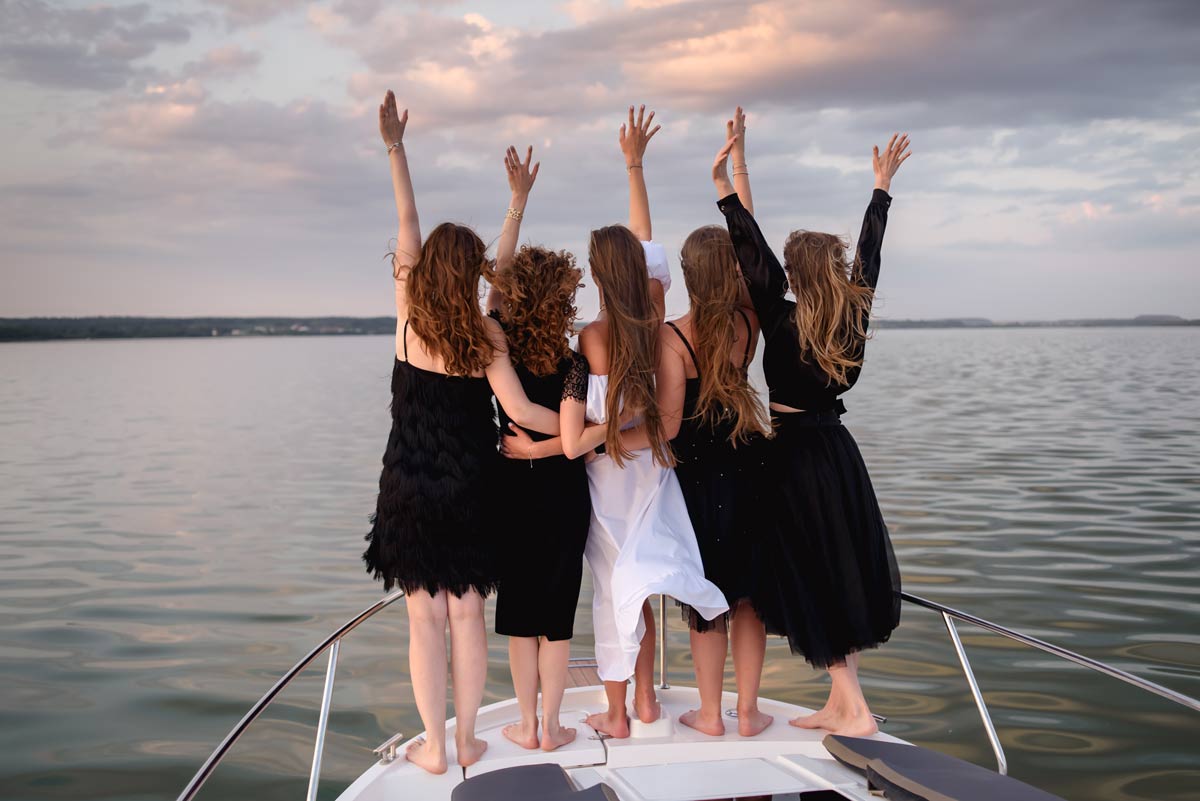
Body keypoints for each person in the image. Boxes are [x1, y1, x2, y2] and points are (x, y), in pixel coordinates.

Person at [362, 91, 562, 774]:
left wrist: (395, 145)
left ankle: (436, 746)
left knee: (425, 621)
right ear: (469, 273)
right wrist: (581, 429)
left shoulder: (409, 321)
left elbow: (407, 218)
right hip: (471, 487)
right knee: (469, 617)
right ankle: (470, 735)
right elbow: (525, 414)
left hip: (408, 486)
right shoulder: (485, 335)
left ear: (425, 269)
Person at [714, 110, 910, 737]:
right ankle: (842, 701)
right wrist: (880, 189)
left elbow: (749, 248)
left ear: (794, 273)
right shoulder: (848, 315)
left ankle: (851, 707)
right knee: (836, 566)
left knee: (811, 573)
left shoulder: (779, 314)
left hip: (795, 457)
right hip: (838, 454)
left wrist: (724, 185)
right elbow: (870, 254)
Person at [556, 105, 728, 740]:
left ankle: (620, 713)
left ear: (598, 275)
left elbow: (580, 438)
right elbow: (644, 239)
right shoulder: (655, 326)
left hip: (607, 483)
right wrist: (635, 166)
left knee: (611, 594)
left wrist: (607, 433)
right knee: (643, 589)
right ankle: (650, 700)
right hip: (652, 476)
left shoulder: (591, 335)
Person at [485, 145, 592, 753]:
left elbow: (496, 288)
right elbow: (580, 439)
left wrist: (515, 207)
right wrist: (573, 440)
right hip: (565, 495)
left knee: (521, 616)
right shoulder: (574, 361)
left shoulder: (497, 338)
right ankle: (553, 728)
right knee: (557, 617)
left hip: (517, 492)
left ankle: (525, 726)